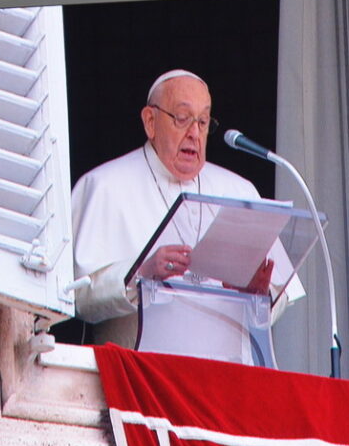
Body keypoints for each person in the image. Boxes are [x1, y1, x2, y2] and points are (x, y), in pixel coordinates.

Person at [71, 69, 301, 358]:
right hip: (139, 383)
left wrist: (258, 296)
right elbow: (78, 297)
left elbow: (280, 294)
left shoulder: (239, 192)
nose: (194, 133)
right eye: (182, 118)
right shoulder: (103, 186)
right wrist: (140, 273)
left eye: (203, 121)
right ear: (150, 122)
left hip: (225, 381)